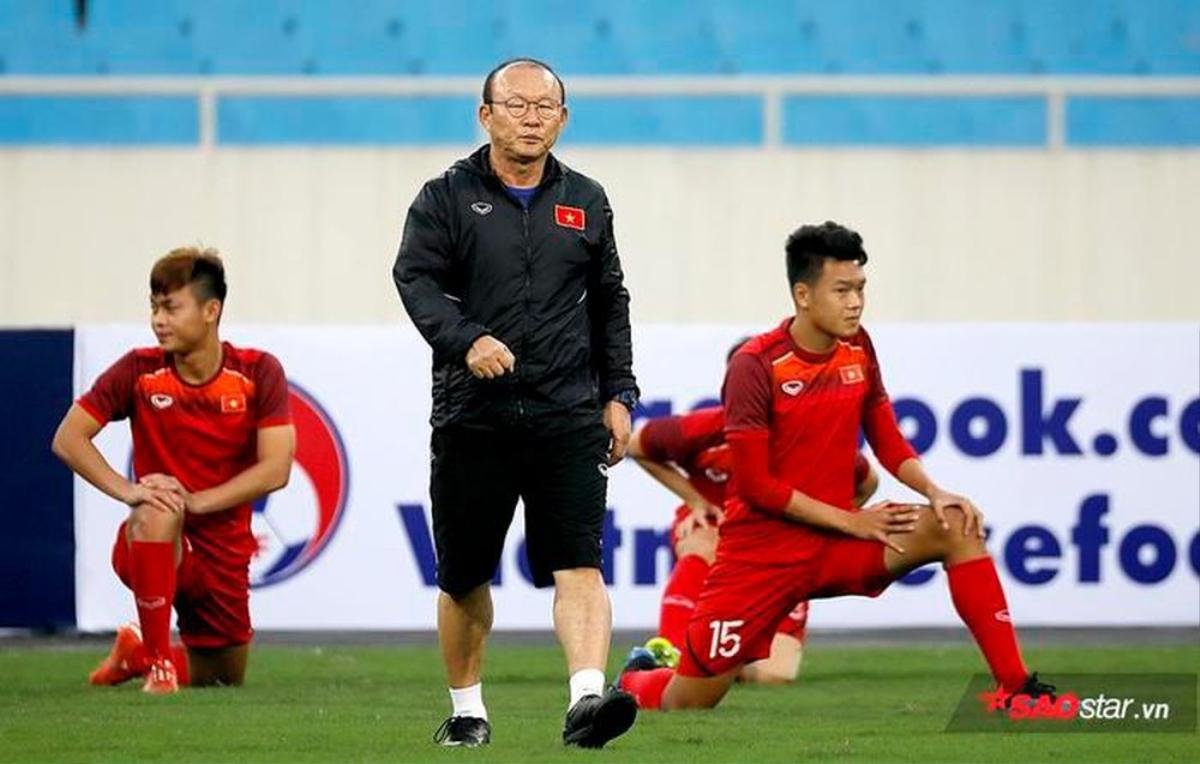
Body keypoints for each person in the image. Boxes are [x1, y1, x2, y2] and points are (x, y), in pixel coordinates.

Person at [619, 221, 1053, 711]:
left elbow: (886, 437)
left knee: (956, 526)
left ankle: (1015, 691)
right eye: (842, 290)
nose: (856, 302)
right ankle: (638, 680)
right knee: (688, 702)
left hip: (833, 545)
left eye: (861, 289)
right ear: (803, 295)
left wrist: (935, 492)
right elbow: (759, 487)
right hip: (759, 560)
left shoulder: (858, 346)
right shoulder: (756, 365)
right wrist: (853, 519)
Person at [393, 57, 640, 749]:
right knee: (464, 574)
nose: (531, 118)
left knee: (580, 564)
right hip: (474, 414)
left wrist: (619, 392)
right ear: (486, 115)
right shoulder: (442, 197)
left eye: (545, 107)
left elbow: (610, 303)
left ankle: (587, 703)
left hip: (567, 412)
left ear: (562, 119)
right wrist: (465, 338)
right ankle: (468, 709)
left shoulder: (587, 199)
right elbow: (414, 280)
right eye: (517, 105)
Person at [51, 248, 295, 694]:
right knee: (158, 506)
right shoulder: (139, 370)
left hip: (223, 551)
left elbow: (276, 470)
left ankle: (136, 652)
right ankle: (159, 661)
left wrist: (199, 500)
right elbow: (68, 438)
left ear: (210, 311)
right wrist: (128, 491)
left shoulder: (258, 371)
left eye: (170, 307)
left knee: (222, 678)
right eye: (154, 306)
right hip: (152, 540)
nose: (158, 319)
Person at [628, 398, 879, 684]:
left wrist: (825, 522)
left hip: (779, 547)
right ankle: (666, 653)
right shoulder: (704, 428)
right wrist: (695, 501)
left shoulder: (812, 438)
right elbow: (637, 446)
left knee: (775, 676)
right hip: (719, 527)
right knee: (701, 540)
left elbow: (867, 482)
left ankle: (707, 668)